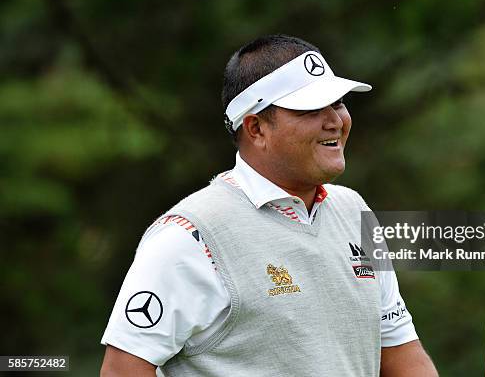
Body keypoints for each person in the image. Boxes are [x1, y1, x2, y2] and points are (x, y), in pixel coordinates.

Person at [100, 34, 438, 376]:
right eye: (309, 109)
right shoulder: (190, 235)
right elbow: (121, 369)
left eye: (337, 103)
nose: (334, 120)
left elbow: (400, 352)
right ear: (256, 128)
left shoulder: (353, 211)